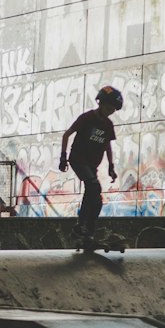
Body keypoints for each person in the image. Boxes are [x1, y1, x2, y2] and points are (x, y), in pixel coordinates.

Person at [59, 84, 122, 243]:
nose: (110, 111)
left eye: (113, 109)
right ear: (100, 103)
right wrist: (63, 157)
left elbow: (107, 145)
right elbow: (66, 135)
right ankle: (81, 225)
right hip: (77, 159)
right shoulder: (86, 118)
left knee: (97, 199)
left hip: (92, 165)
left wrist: (111, 166)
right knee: (93, 186)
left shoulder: (108, 125)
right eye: (108, 107)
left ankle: (89, 232)